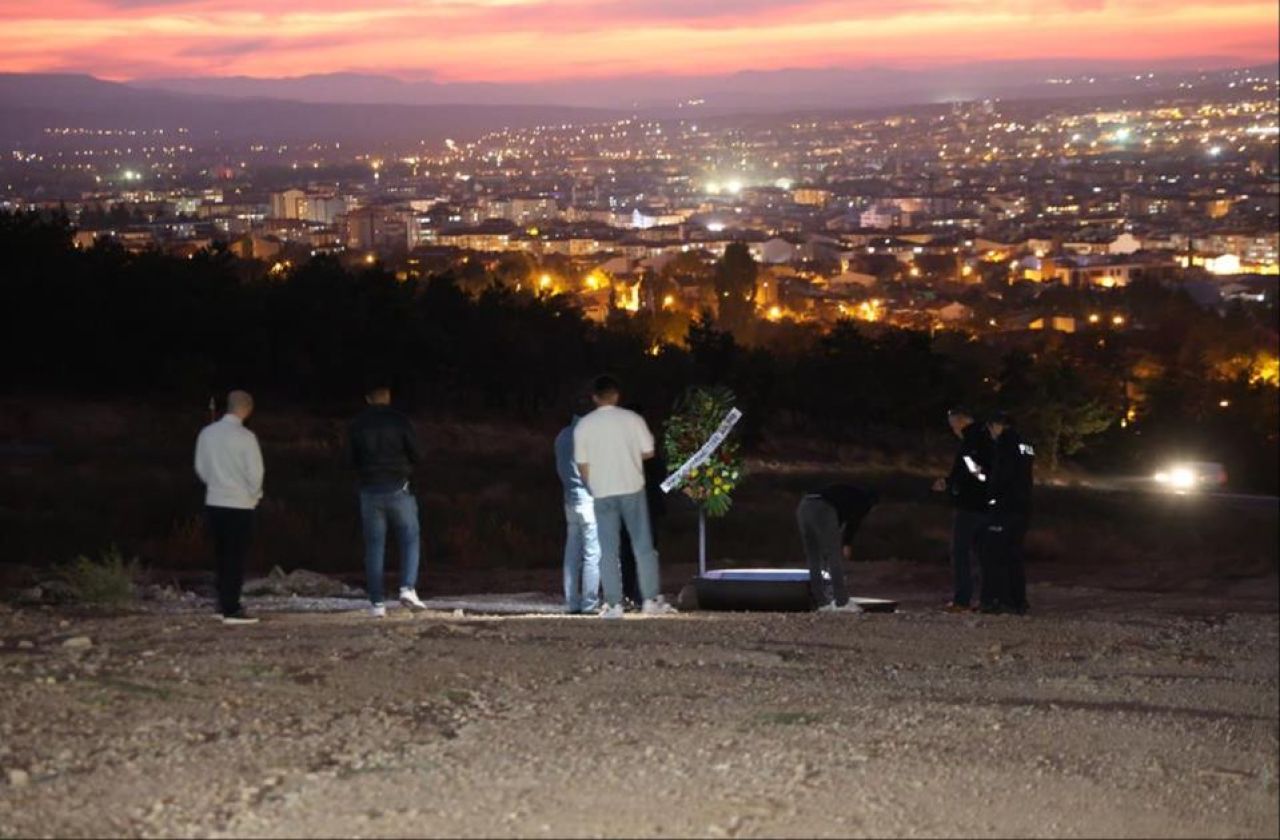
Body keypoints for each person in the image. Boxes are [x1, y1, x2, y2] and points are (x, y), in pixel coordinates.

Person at [573, 375, 676, 619]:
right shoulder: (633, 420)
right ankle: (650, 600)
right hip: (631, 488)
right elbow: (649, 452)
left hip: (603, 491)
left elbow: (582, 464)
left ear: (595, 398)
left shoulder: (585, 425)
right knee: (643, 546)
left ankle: (613, 604)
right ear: (617, 396)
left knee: (608, 550)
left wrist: (594, 484)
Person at [348, 385, 427, 618]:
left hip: (370, 490)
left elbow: (349, 458)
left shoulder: (357, 424)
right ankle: (407, 588)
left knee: (374, 547)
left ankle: (376, 603)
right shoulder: (399, 421)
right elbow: (417, 453)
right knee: (410, 538)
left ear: (367, 399)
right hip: (397, 487)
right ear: (388, 398)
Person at [194, 389, 264, 625]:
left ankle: (222, 602)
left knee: (221, 555)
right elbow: (256, 473)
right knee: (236, 557)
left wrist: (214, 484)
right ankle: (232, 608)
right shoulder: (246, 437)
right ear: (247, 409)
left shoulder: (207, 433)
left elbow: (201, 467)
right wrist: (255, 496)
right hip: (240, 503)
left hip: (215, 501)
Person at [932, 407, 993, 612]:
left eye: (953, 424)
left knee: (960, 552)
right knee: (984, 554)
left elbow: (972, 471)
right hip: (986, 505)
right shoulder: (988, 437)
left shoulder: (971, 442)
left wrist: (954, 485)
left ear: (961, 421)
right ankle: (989, 599)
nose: (953, 430)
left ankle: (962, 600)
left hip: (970, 505)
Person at [978, 412, 1034, 615]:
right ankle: (1017, 601)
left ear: (998, 426)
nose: (990, 434)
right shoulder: (1025, 444)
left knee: (994, 554)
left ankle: (997, 600)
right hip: (1022, 507)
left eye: (990, 428)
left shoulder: (1005, 444)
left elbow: (1002, 476)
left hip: (1004, 507)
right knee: (1014, 555)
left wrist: (988, 491)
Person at [796, 484, 879, 612]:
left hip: (804, 506)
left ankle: (821, 602)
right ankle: (842, 602)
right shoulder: (864, 501)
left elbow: (839, 519)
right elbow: (853, 522)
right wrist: (847, 543)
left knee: (813, 557)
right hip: (823, 507)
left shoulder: (846, 494)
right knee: (834, 556)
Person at [555, 413, 601, 614]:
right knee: (592, 554)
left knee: (571, 553)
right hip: (588, 500)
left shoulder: (562, 436)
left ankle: (572, 602)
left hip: (570, 499)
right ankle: (589, 603)